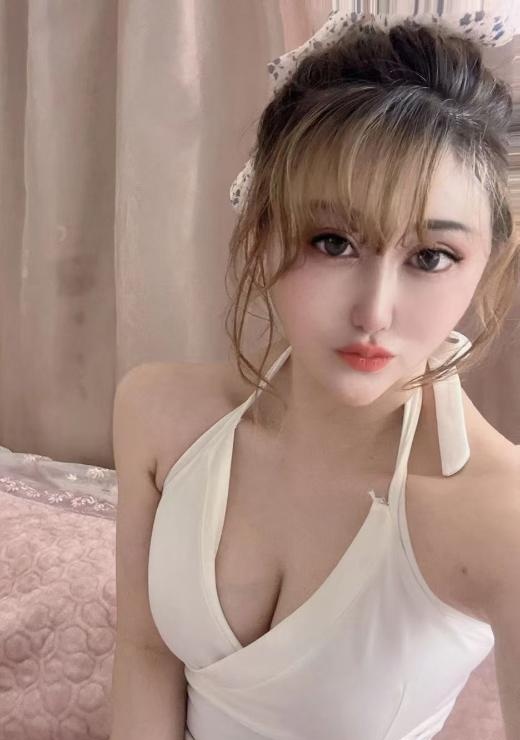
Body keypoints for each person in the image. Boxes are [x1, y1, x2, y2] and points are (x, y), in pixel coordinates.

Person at [110, 8, 520, 740]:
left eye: (431, 257)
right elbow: (146, 653)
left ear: (487, 265)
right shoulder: (159, 415)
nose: (374, 312)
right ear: (263, 231)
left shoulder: (498, 517)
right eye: (333, 242)